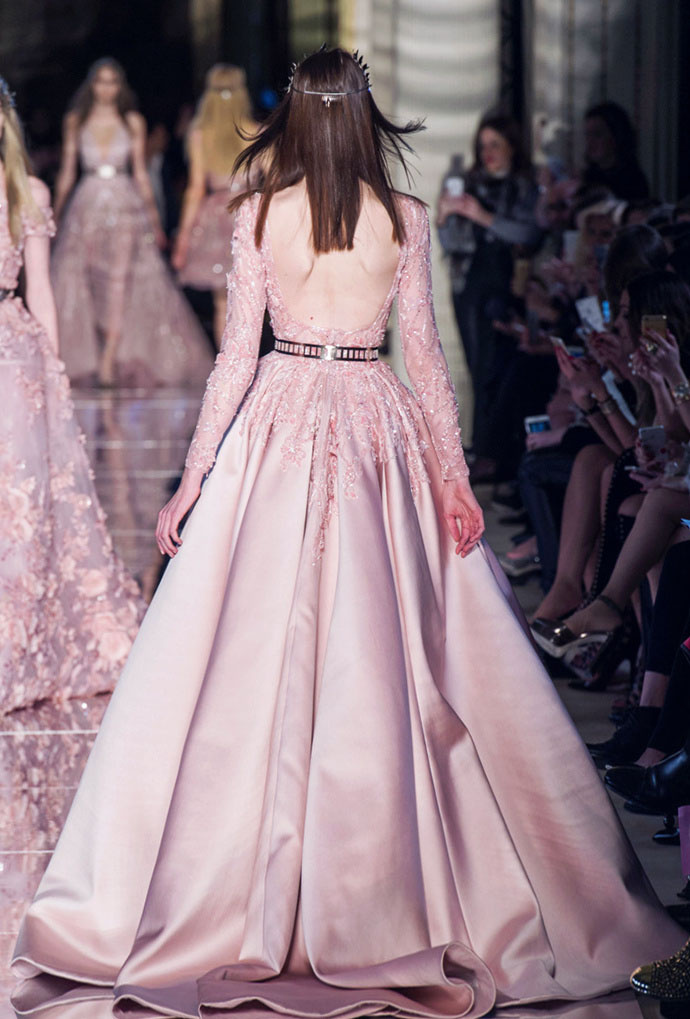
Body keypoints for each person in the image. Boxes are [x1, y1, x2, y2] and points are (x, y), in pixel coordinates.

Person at [12, 49, 683, 1019]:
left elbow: (236, 358)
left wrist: (195, 479)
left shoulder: (259, 213)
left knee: (258, 655)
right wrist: (451, 478)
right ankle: (398, 896)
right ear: (366, 118)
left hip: (280, 420)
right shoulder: (402, 216)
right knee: (388, 650)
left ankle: (242, 890)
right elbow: (426, 362)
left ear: (295, 119)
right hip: (377, 426)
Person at [0, 78, 144, 713]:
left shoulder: (25, 193)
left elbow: (42, 290)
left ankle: (20, 640)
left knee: (23, 497)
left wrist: (53, 372)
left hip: (13, 350)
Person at [51, 58, 213, 387]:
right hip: (86, 205)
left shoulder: (133, 122)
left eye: (112, 81)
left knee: (120, 280)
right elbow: (68, 171)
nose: (106, 88)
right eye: (101, 81)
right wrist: (54, 213)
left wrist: (154, 220)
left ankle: (109, 356)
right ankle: (97, 352)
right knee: (85, 279)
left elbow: (140, 173)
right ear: (92, 85)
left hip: (125, 205)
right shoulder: (76, 120)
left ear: (120, 86)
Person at [437, 112, 540, 482]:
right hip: (470, 282)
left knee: (498, 364)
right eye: (483, 146)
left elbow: (529, 233)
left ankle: (493, 452)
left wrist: (481, 215)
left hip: (511, 283)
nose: (488, 153)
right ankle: (484, 449)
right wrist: (445, 217)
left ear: (512, 145)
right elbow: (450, 241)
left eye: (495, 144)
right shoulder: (468, 183)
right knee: (477, 364)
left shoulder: (524, 187)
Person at [172, 64, 257, 347]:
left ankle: (228, 363)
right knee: (251, 300)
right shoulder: (257, 132)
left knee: (223, 302)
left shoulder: (200, 134)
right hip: (251, 213)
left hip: (217, 216)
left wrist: (183, 239)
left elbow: (196, 189)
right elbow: (276, 182)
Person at [581, 101, 650, 202]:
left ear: (617, 136)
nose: (590, 142)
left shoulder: (633, 181)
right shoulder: (587, 178)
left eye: (597, 134)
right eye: (587, 135)